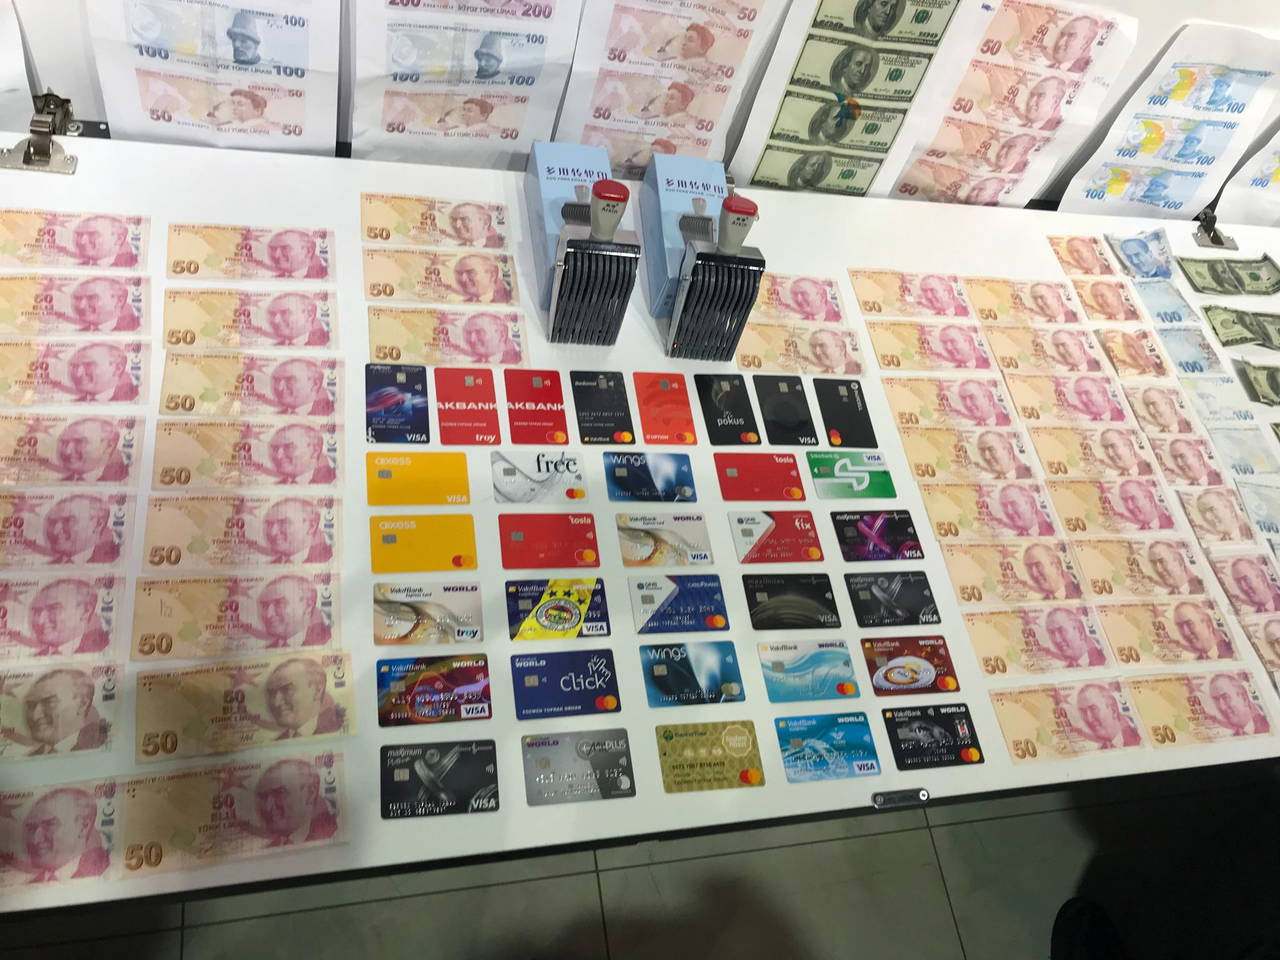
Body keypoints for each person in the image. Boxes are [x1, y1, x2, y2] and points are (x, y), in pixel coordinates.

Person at [12, 788, 109, 882]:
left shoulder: (108, 873)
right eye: (31, 828)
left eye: (50, 824)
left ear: (84, 827)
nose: (35, 839)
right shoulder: (28, 885)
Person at [20, 668, 108, 754]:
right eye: (31, 705)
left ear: (82, 704)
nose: (35, 716)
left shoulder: (102, 745)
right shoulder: (30, 756)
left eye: (50, 702)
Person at [253, 758, 339, 845]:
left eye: (279, 793)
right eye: (263, 796)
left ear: (310, 794)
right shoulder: (271, 847)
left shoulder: (335, 834)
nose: (268, 806)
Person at [16, 579, 112, 655]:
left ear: (85, 612)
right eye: (37, 611)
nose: (40, 621)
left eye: (53, 609)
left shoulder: (104, 649)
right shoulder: (36, 657)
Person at [264, 657, 344, 739]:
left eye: (287, 689)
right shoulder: (278, 741)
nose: (276, 703)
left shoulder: (339, 729)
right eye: (272, 693)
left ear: (318, 690)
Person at [40, 495, 120, 564]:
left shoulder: (112, 561)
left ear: (98, 525)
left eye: (67, 521)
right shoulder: (48, 566)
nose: (55, 531)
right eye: (53, 522)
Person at [49, 418, 129, 483]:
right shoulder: (59, 482)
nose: (67, 451)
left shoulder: (123, 479)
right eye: (64, 442)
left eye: (79, 442)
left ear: (109, 446)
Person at [258, 575, 330, 647]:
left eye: (279, 603)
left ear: (308, 606)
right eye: (265, 606)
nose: (269, 614)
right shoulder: (267, 648)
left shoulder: (327, 641)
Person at [256, 497, 332, 564]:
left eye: (283, 523)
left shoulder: (329, 559)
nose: (273, 532)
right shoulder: (270, 564)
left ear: (311, 527)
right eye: (269, 524)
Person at [58, 343, 138, 403]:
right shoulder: (72, 404)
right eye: (74, 366)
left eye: (88, 365)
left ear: (117, 369)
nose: (77, 373)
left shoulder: (131, 400)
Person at [261, 423, 336, 484]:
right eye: (275, 448)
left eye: (289, 447)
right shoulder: (276, 486)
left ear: (315, 451)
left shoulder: (334, 481)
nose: (278, 456)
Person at [1075, 683, 1142, 748]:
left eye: (1093, 709)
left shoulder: (1140, 740)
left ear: (1113, 710)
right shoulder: (1101, 750)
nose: (1090, 719)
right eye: (1083, 712)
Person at [261, 358, 334, 417]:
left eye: (290, 380)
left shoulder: (331, 414)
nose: (280, 387)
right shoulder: (274, 416)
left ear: (315, 384)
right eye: (277, 380)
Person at [68, 278, 141, 332]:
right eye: (78, 298)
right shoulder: (77, 333)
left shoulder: (136, 329)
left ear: (119, 301)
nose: (81, 305)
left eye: (91, 297)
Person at [260, 293, 328, 347]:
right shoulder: (275, 346)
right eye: (273, 314)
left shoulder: (323, 345)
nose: (276, 320)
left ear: (310, 314)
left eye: (284, 312)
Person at [71, 216, 138, 268]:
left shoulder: (134, 265)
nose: (82, 241)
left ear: (119, 239)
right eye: (79, 235)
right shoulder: (77, 266)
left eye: (92, 234)